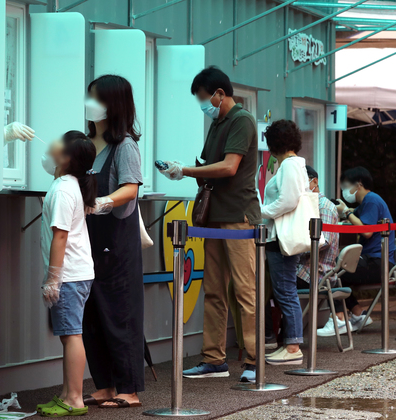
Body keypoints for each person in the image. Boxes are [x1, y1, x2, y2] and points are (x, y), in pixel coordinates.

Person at [160, 67, 259, 382]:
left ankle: (255, 361)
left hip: (238, 214)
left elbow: (230, 167)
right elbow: (208, 165)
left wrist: (186, 171)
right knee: (214, 288)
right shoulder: (217, 123)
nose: (204, 105)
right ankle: (214, 359)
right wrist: (184, 170)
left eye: (205, 99)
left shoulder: (241, 120)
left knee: (244, 289)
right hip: (215, 214)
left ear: (220, 93)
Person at [82, 75, 145, 409]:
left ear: (112, 104)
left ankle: (129, 388)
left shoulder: (125, 146)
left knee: (120, 313)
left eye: (95, 97)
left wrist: (105, 202)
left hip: (116, 243)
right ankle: (104, 384)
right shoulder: (87, 143)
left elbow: (131, 187)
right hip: (87, 240)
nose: (88, 103)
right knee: (91, 313)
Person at [36, 131, 97, 417]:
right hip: (76, 274)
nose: (52, 145)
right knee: (68, 334)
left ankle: (74, 398)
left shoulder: (62, 189)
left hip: (70, 275)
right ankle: (66, 394)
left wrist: (53, 278)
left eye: (58, 143)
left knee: (71, 335)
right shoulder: (69, 184)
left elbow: (60, 237)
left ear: (67, 157)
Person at [264, 165, 340, 349]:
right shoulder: (306, 203)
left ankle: (271, 337)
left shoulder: (324, 206)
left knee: (267, 285)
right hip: (305, 268)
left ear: (314, 181)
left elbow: (325, 242)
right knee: (268, 281)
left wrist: (294, 246)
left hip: (316, 272)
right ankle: (277, 335)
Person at [317, 166, 393, 336]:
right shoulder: (366, 203)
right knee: (340, 269)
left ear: (358, 184)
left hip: (378, 263)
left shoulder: (371, 200)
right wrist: (344, 212)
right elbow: (352, 219)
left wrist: (345, 211)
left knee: (332, 272)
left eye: (345, 186)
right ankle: (358, 314)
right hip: (376, 260)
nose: (344, 190)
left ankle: (339, 319)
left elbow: (366, 231)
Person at [258, 119, 308, 365]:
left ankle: (292, 346)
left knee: (285, 291)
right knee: (286, 291)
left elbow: (287, 202)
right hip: (282, 236)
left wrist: (261, 211)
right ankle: (291, 344)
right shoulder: (295, 164)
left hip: (280, 237)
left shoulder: (288, 166)